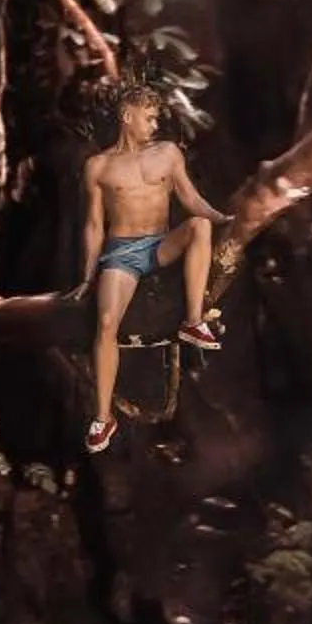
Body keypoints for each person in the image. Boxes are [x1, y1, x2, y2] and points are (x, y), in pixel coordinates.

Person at [77, 79, 225, 456]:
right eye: (149, 118)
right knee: (106, 323)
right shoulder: (98, 166)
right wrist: (87, 275)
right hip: (121, 252)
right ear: (127, 117)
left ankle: (193, 322)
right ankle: (103, 417)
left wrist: (223, 218)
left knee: (199, 226)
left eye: (156, 118)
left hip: (160, 245)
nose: (155, 125)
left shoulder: (167, 153)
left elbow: (190, 198)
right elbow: (94, 225)